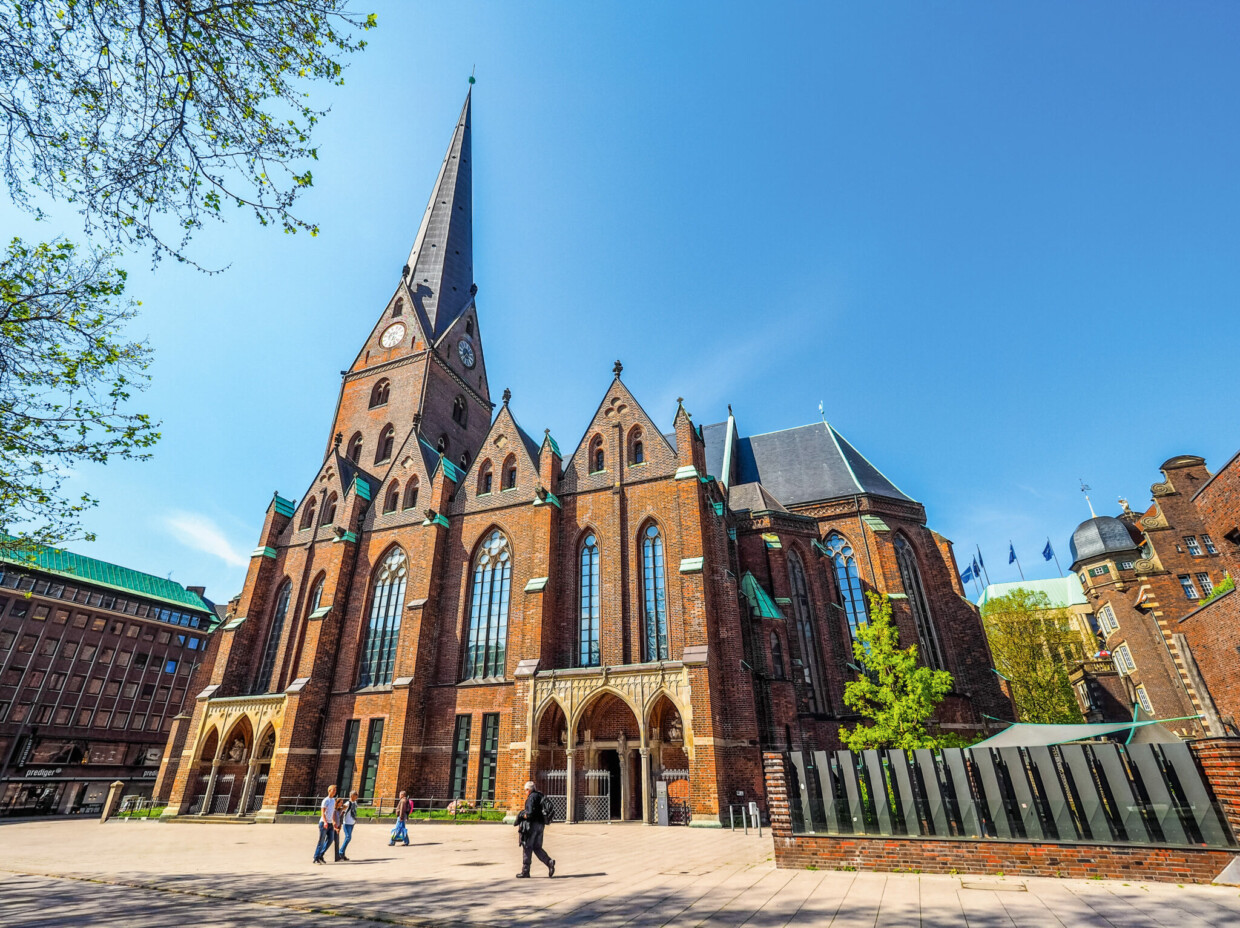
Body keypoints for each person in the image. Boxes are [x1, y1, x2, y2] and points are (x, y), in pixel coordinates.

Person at [515, 780, 555, 879]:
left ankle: (525, 871)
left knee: (527, 847)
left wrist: (521, 815)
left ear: (528, 790)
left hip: (531, 826)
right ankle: (549, 862)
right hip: (541, 825)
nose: (525, 792)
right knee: (537, 847)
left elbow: (529, 814)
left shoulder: (531, 798)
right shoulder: (540, 795)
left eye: (525, 790)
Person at [313, 785, 337, 864]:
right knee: (321, 841)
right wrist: (325, 822)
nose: (335, 791)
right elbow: (322, 813)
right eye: (333, 790)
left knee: (330, 839)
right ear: (329, 790)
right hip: (324, 823)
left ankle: (321, 855)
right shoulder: (325, 800)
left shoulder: (333, 800)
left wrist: (333, 822)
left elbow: (333, 812)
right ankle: (316, 858)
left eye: (335, 790)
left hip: (330, 823)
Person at [335, 790, 357, 861]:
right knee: (348, 837)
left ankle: (342, 854)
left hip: (352, 823)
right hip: (347, 823)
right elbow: (342, 812)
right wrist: (340, 823)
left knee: (347, 838)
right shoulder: (348, 803)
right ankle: (340, 852)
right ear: (352, 796)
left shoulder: (355, 802)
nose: (357, 796)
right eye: (356, 795)